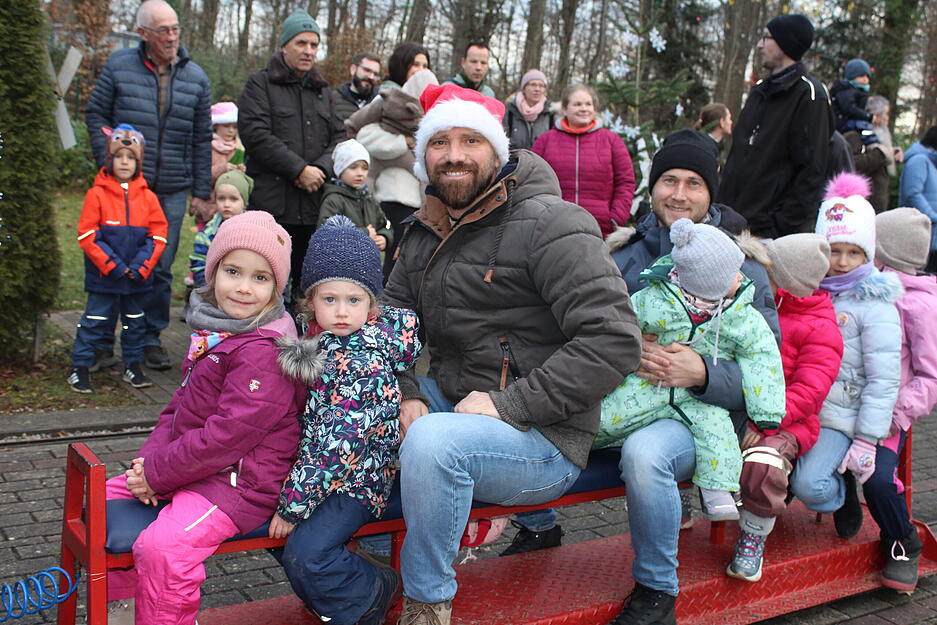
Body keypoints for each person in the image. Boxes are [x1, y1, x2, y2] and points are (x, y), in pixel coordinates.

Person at [368, 83, 642, 624]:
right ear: (423, 154)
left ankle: (427, 603)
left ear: (498, 152)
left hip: (541, 436)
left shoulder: (550, 223)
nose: (453, 155)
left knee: (430, 442)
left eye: (470, 140)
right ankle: (356, 569)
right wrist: (402, 391)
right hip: (451, 400)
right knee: (340, 391)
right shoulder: (424, 227)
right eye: (440, 142)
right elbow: (388, 329)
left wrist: (509, 403)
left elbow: (613, 341)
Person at [605, 129, 780, 624]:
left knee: (646, 455)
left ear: (711, 193)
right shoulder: (624, 255)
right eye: (668, 180)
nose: (679, 194)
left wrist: (702, 372)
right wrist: (628, 350)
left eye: (694, 183)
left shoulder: (741, 266)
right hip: (631, 398)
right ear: (652, 186)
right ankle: (538, 526)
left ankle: (657, 592)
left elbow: (768, 364)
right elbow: (590, 333)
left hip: (705, 414)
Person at [103, 211, 304, 625]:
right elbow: (178, 407)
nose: (244, 288)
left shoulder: (263, 352)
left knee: (165, 546)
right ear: (213, 273)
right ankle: (123, 607)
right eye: (233, 271)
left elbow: (226, 437)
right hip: (195, 468)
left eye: (261, 278)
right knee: (104, 495)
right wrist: (147, 465)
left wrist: (158, 474)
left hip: (240, 484)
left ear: (277, 287)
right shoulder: (217, 331)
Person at [271, 215, 422, 625]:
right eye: (329, 299)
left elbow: (340, 442)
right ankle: (337, 595)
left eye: (353, 301)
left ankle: (371, 591)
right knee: (280, 537)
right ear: (309, 302)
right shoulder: (324, 344)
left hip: (358, 478)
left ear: (372, 306)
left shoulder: (364, 361)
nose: (340, 312)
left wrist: (293, 504)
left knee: (306, 553)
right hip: (322, 471)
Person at [597, 219, 785, 520]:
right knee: (607, 416)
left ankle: (718, 492)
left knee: (718, 432)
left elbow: (763, 357)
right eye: (731, 275)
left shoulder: (740, 314)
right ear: (707, 285)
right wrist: (633, 346)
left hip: (699, 399)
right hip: (647, 385)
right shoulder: (655, 299)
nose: (740, 277)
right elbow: (619, 324)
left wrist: (767, 412)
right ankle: (585, 447)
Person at [85, 0, 212, 372]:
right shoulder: (118, 66)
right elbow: (95, 114)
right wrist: (107, 160)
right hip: (119, 190)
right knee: (111, 263)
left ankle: (150, 339)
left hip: (171, 188)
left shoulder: (197, 78)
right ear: (143, 34)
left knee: (158, 266)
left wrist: (202, 192)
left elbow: (201, 138)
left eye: (175, 28)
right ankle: (102, 343)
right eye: (163, 30)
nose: (172, 37)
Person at [790, 172, 902, 546]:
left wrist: (867, 439)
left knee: (810, 484)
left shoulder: (875, 304)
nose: (840, 262)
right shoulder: (807, 291)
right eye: (833, 250)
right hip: (803, 406)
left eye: (853, 252)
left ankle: (840, 494)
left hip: (842, 416)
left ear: (868, 254)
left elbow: (884, 379)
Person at [726, 233, 843, 582]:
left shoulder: (821, 328)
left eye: (768, 274)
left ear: (788, 282)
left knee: (764, 463)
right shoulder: (759, 307)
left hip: (789, 421)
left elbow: (809, 391)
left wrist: (764, 421)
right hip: (748, 410)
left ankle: (753, 535)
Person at [238, 9, 346, 300]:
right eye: (301, 43)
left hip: (314, 207)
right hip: (273, 206)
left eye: (314, 45)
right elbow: (255, 135)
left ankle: (304, 344)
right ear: (284, 45)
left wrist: (320, 169)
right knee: (266, 285)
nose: (308, 51)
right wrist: (298, 170)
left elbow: (339, 137)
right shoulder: (259, 85)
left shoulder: (324, 92)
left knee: (307, 289)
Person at [68, 124, 168, 394]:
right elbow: (88, 234)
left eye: (131, 157)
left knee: (134, 322)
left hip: (136, 279)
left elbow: (158, 235)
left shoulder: (148, 198)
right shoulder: (96, 194)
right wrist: (113, 266)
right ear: (109, 159)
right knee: (94, 321)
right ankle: (80, 367)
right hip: (105, 278)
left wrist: (140, 266)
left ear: (139, 161)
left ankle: (133, 365)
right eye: (119, 156)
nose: (124, 162)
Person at [867, 207, 937, 592]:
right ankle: (843, 503)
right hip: (847, 408)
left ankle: (903, 541)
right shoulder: (865, 287)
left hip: (888, 416)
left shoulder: (921, 305)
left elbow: (930, 377)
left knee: (878, 480)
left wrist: (893, 414)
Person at [717, 13, 833, 238]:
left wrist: (779, 224)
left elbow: (812, 170)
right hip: (729, 222)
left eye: (766, 38)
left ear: (785, 43)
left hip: (767, 232)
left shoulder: (810, 95)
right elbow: (739, 156)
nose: (760, 44)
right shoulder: (759, 91)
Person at [346, 69, 438, 279]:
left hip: (419, 202)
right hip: (389, 196)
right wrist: (402, 143)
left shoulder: (435, 116)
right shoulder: (388, 104)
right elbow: (361, 135)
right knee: (386, 259)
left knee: (404, 261)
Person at [532, 84, 636, 238]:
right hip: (554, 227)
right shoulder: (545, 141)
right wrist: (540, 214)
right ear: (565, 109)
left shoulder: (612, 141)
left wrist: (616, 217)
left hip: (601, 229)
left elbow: (626, 181)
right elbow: (532, 180)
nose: (584, 108)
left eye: (588, 104)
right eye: (577, 104)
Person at [317, 139, 393, 251]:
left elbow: (386, 224)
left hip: (369, 263)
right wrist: (364, 233)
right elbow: (326, 233)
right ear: (340, 169)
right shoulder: (334, 200)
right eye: (353, 167)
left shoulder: (369, 199)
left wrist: (385, 237)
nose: (360, 173)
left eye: (365, 168)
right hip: (342, 264)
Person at [189, 170, 252, 287]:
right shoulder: (208, 233)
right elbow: (199, 261)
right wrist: (208, 286)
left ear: (244, 201)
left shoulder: (254, 230)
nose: (226, 204)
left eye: (233, 199)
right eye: (221, 198)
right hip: (214, 286)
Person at [845, 96, 903, 213]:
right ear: (875, 115)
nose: (887, 119)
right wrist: (881, 154)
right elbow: (853, 164)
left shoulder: (875, 138)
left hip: (876, 207)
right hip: (861, 208)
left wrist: (891, 153)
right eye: (885, 114)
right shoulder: (854, 135)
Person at [899, 126, 937, 272]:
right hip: (922, 228)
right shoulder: (919, 160)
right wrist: (933, 216)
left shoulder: (931, 162)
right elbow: (912, 193)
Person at [503, 69, 555, 150]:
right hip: (515, 161)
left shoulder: (550, 113)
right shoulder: (510, 112)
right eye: (533, 84)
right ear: (524, 88)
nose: (537, 89)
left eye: (541, 85)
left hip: (542, 162)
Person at [831, 59, 878, 145]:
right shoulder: (846, 90)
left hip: (850, 121)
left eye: (867, 76)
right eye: (861, 76)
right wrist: (868, 116)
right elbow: (849, 108)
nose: (865, 79)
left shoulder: (859, 91)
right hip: (844, 123)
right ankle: (871, 142)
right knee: (865, 127)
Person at [333, 52, 382, 121]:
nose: (371, 77)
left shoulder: (380, 102)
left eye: (375, 74)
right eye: (367, 70)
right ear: (353, 69)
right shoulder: (333, 100)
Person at [694, 103, 732, 169]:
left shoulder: (714, 146)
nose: (731, 122)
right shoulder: (705, 149)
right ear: (722, 122)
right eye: (729, 118)